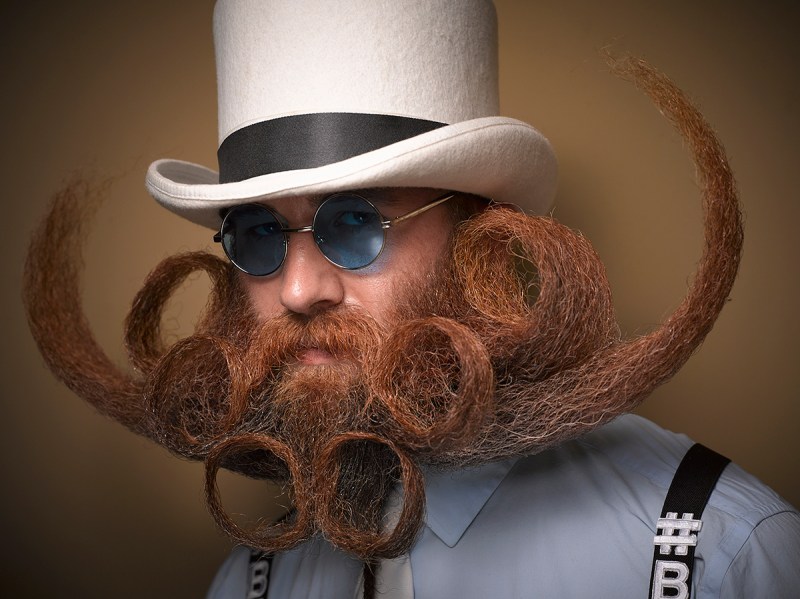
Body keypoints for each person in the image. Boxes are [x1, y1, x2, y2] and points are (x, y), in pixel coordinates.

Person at [22, 1, 799, 598]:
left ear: (477, 236)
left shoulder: (711, 549)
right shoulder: (251, 579)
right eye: (259, 234)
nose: (296, 290)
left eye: (356, 222)